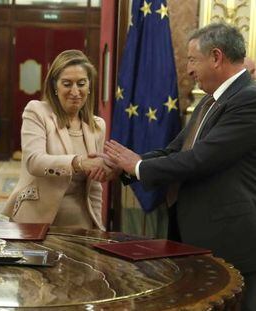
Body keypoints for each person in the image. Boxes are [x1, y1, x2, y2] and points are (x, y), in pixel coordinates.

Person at [96, 23, 256, 310]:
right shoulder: (211, 101)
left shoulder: (249, 100)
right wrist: (125, 166)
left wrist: (138, 166)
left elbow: (201, 159)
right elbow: (174, 151)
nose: (188, 70)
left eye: (192, 60)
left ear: (216, 57)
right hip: (194, 231)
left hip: (229, 238)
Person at [2, 50, 109, 230]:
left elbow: (95, 188)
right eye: (67, 84)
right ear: (54, 86)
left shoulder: (97, 125)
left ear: (89, 86)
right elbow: (34, 162)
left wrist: (97, 225)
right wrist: (79, 162)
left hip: (81, 222)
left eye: (81, 83)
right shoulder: (37, 111)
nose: (75, 91)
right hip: (35, 219)